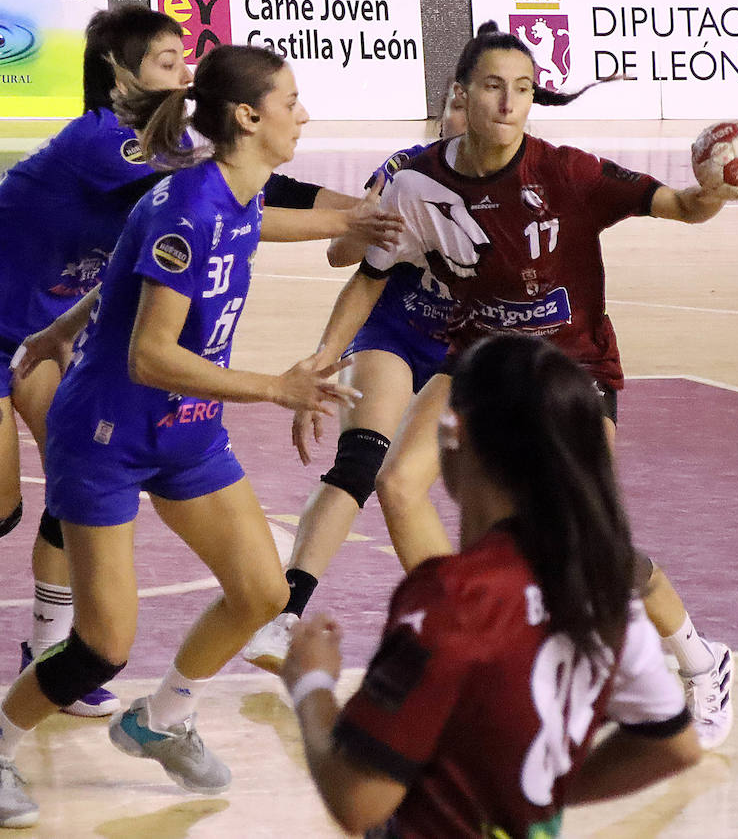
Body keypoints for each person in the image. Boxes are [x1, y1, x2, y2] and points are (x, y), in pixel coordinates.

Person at [0, 6, 400, 717]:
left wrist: (367, 212)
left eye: (187, 60)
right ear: (118, 71)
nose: (187, 74)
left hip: (48, 324)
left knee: (74, 484)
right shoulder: (108, 144)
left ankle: (47, 647)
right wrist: (356, 216)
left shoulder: (174, 145)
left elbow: (253, 195)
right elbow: (243, 204)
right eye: (169, 60)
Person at [295, 22, 738, 750]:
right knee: (400, 485)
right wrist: (324, 357)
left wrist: (714, 189)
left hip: (572, 371)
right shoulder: (418, 184)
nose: (509, 103)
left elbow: (685, 207)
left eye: (524, 90)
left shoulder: (569, 172)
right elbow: (367, 275)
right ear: (462, 95)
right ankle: (464, 645)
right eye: (494, 87)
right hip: (481, 363)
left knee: (582, 540)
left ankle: (701, 657)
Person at [281, 334, 702, 838]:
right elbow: (675, 745)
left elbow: (358, 800)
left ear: (452, 433)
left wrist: (311, 684)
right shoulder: (604, 587)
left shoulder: (453, 596)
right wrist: (532, 792)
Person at [241, 86, 467, 672]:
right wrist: (375, 227)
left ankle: (471, 623)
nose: (462, 117)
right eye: (455, 103)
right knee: (361, 462)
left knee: (458, 482)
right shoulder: (406, 169)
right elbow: (341, 256)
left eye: (479, 101)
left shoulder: (526, 184)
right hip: (396, 325)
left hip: (469, 342)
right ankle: (284, 616)